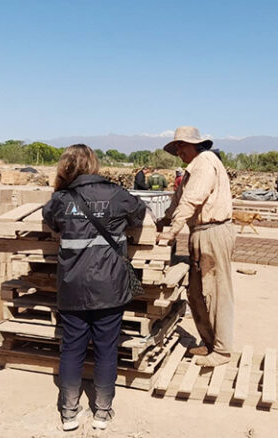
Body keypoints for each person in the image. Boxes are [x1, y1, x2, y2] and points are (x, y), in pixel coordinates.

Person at [42, 144, 146, 431]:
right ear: (94, 165)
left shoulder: (61, 199)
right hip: (109, 289)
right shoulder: (115, 194)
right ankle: (102, 412)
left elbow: (50, 220)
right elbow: (139, 214)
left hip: (72, 287)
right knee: (105, 349)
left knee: (72, 349)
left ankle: (69, 413)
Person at [157, 126, 235, 367]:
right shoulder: (192, 170)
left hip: (212, 232)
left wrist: (172, 231)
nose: (179, 150)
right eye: (176, 146)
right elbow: (178, 200)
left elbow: (192, 200)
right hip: (199, 232)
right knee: (197, 292)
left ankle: (221, 350)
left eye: (182, 145)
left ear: (195, 145)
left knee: (215, 291)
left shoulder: (204, 163)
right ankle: (210, 342)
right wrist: (162, 221)